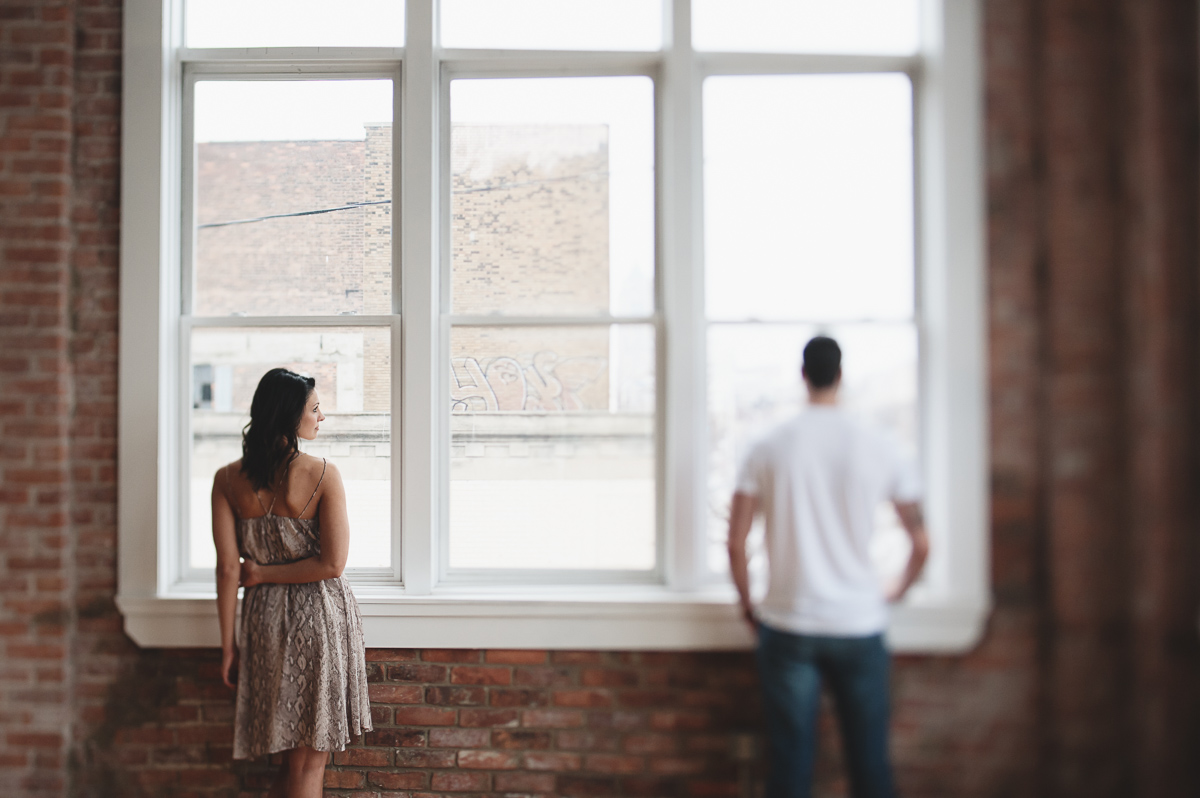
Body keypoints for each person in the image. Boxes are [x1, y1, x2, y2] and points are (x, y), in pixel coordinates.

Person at [726, 336, 929, 798]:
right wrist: (897, 589)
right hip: (859, 624)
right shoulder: (880, 444)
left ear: (803, 375)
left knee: (790, 770)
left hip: (787, 623)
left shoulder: (767, 446)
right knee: (870, 767)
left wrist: (747, 608)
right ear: (841, 375)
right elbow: (921, 542)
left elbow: (736, 543)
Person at [211, 368, 372, 797]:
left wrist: (228, 644)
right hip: (316, 621)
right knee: (308, 765)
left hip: (263, 621)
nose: (322, 417)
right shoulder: (322, 474)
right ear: (289, 417)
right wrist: (263, 573)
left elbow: (229, 570)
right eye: (315, 409)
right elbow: (332, 564)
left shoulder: (227, 480)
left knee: (290, 763)